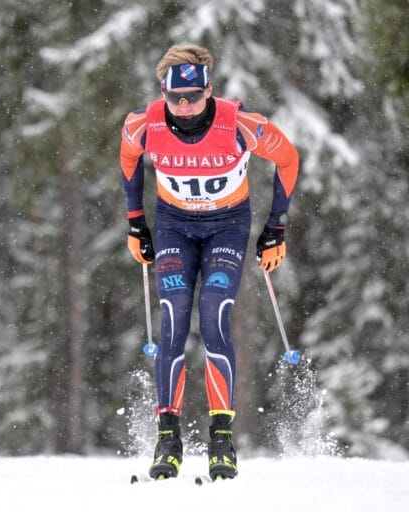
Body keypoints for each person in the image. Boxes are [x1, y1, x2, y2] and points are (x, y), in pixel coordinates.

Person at [119, 44, 299, 480]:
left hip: (226, 227)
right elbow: (128, 158)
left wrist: (275, 227)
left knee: (214, 312)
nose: (183, 107)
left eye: (193, 98)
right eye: (174, 98)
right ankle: (168, 439)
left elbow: (288, 158)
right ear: (163, 92)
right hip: (174, 227)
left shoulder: (239, 123)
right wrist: (136, 222)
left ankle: (222, 439)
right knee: (174, 316)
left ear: (209, 91)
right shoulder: (143, 124)